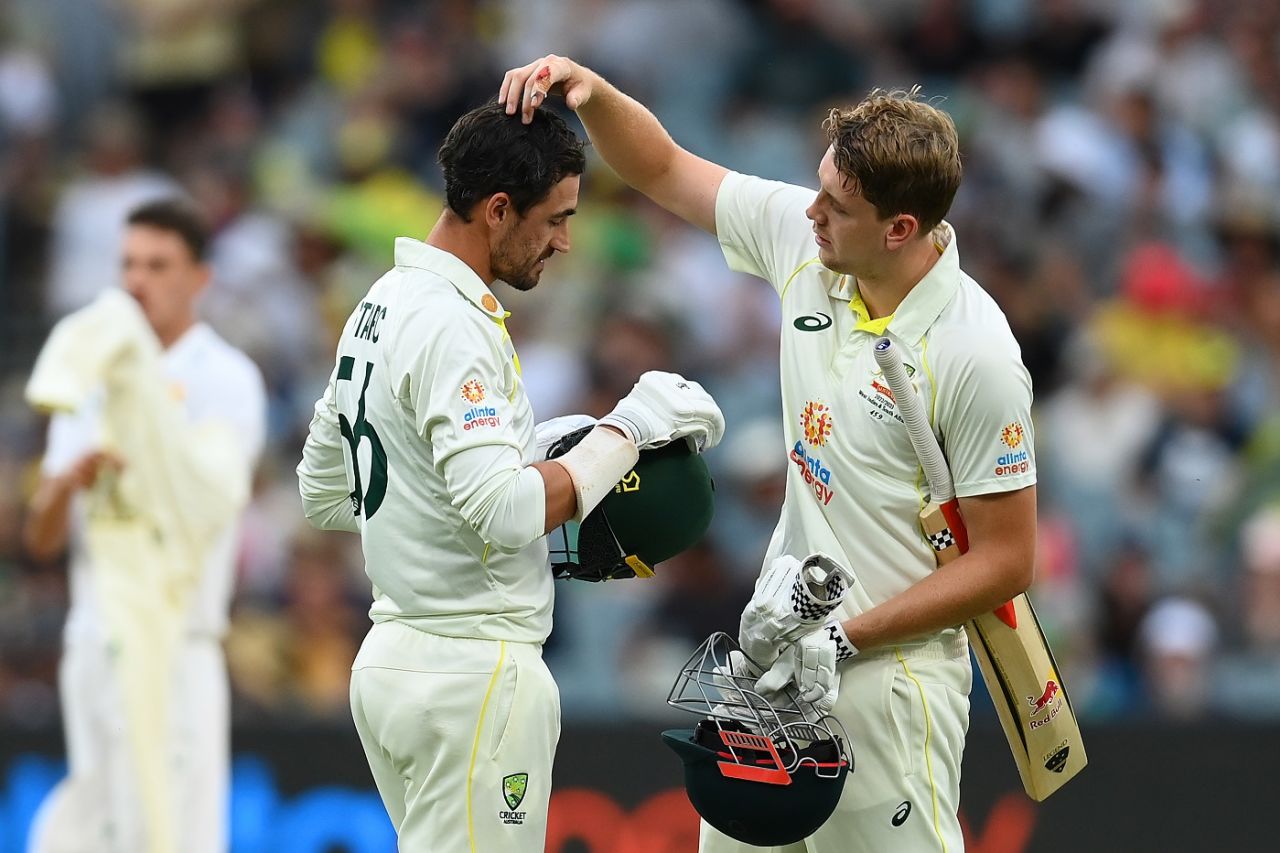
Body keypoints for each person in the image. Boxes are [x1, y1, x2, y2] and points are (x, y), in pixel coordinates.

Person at [501, 58, 1038, 852]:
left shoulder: (975, 352)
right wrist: (597, 94)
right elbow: (661, 166)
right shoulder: (808, 239)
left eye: (837, 205)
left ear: (900, 228)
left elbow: (1007, 561)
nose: (811, 212)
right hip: (769, 670)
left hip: (891, 685)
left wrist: (846, 639)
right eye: (818, 187)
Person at [296, 100, 724, 852]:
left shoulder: (379, 303)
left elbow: (327, 492)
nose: (565, 240)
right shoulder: (455, 325)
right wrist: (629, 430)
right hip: (471, 674)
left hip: (393, 662)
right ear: (498, 209)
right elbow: (504, 510)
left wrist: (445, 510)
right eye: (555, 218)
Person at [23, 199, 267, 853]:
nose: (137, 281)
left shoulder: (227, 379)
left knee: (175, 831)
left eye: (158, 265)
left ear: (199, 278)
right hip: (95, 637)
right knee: (98, 818)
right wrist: (64, 485)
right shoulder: (94, 371)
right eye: (128, 264)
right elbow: (41, 539)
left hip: (181, 639)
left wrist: (142, 459)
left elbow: (214, 504)